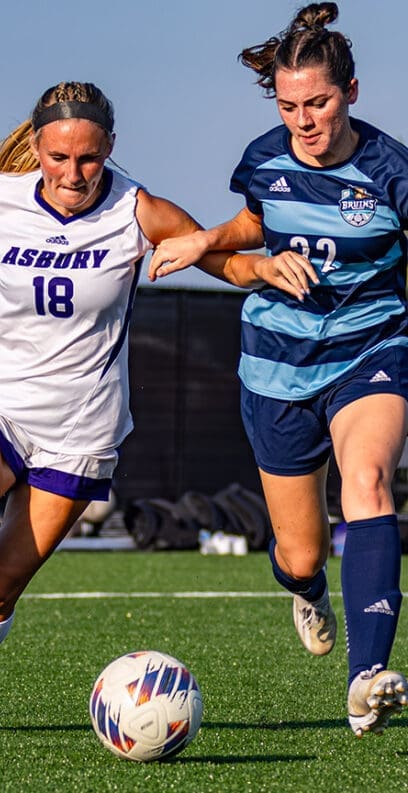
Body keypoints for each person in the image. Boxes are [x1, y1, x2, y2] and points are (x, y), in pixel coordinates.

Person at [0, 81, 291, 737]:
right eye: (57, 157)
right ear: (37, 145)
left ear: (109, 147)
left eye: (87, 158)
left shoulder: (139, 210)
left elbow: (217, 258)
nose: (72, 173)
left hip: (82, 427)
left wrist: (268, 268)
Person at [149, 3, 408, 737]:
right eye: (291, 106)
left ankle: (366, 678)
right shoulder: (265, 155)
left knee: (367, 483)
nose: (305, 122)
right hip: (276, 367)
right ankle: (307, 587)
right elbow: (257, 219)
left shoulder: (392, 171)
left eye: (319, 103)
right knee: (299, 553)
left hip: (370, 349)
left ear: (352, 91)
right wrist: (205, 240)